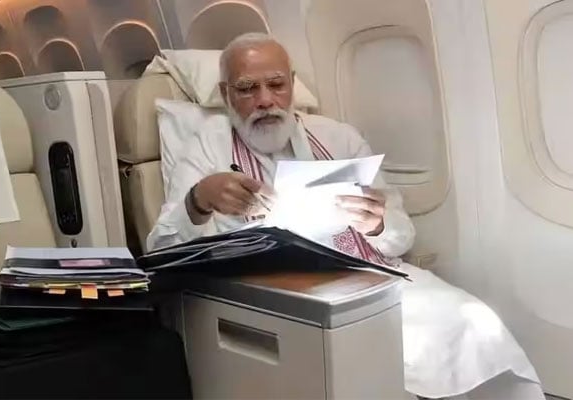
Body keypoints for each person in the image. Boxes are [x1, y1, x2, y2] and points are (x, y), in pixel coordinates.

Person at [146, 32, 544, 399]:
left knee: (471, 320)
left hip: (360, 274)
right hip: (267, 295)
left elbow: (401, 237)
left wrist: (378, 224)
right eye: (248, 88)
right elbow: (160, 248)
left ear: (291, 84)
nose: (265, 100)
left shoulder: (340, 138)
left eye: (276, 84)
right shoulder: (205, 147)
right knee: (365, 357)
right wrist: (198, 200)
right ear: (226, 94)